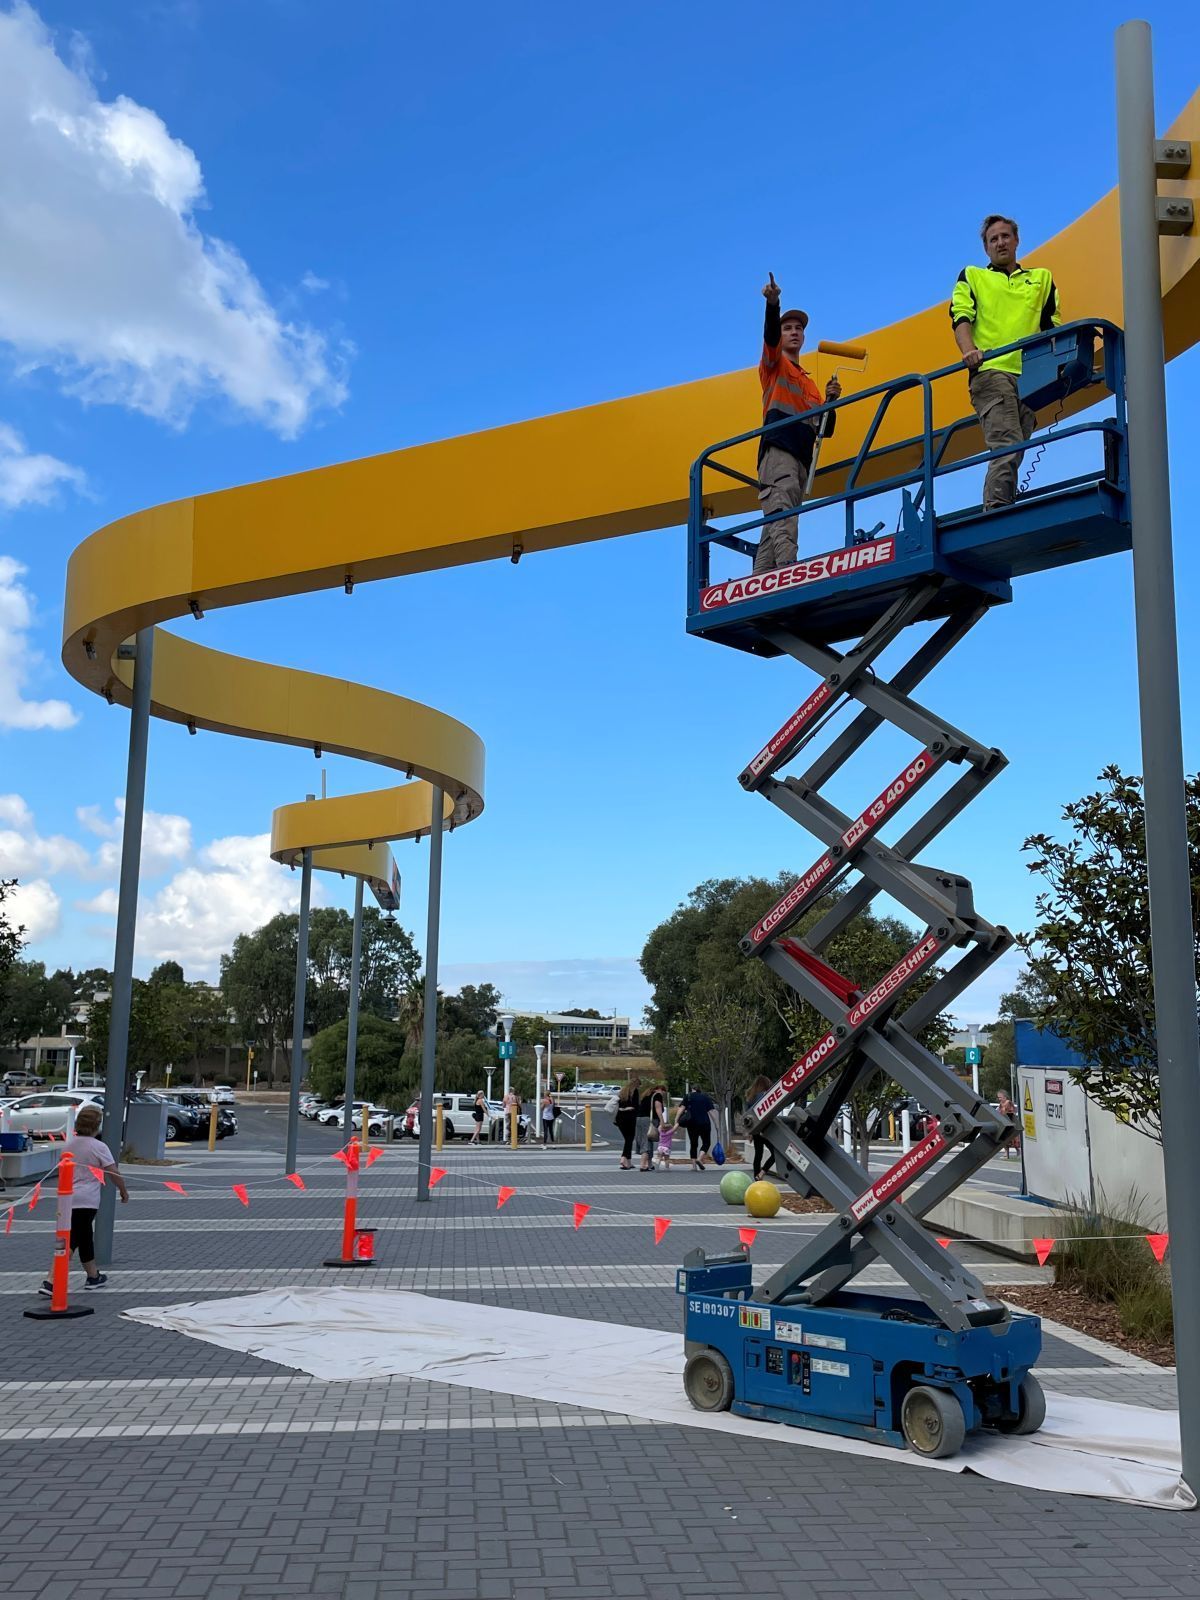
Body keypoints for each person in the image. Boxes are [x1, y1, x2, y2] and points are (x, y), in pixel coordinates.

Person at [950, 215, 1061, 511]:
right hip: (991, 370)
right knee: (1008, 444)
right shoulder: (973, 275)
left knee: (1017, 447)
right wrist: (969, 351)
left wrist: (1064, 368)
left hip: (1031, 375)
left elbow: (1053, 327)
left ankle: (1003, 503)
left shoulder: (1042, 279)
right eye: (993, 239)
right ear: (986, 248)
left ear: (1016, 240)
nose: (1000, 242)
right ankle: (996, 509)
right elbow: (961, 317)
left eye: (1005, 236)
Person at [755, 274, 842, 574]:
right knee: (782, 516)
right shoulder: (774, 364)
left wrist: (831, 402)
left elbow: (824, 429)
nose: (794, 332)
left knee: (775, 525)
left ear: (804, 337)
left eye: (798, 329)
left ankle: (758, 583)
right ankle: (790, 570)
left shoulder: (811, 386)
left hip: (800, 460)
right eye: (787, 328)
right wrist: (773, 304)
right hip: (779, 451)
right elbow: (769, 337)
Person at [39, 1103, 127, 1294]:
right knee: (73, 1239)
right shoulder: (98, 1147)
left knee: (84, 1237)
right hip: (87, 1200)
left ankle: (93, 1276)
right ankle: (51, 1280)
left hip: (67, 1198)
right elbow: (113, 1171)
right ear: (97, 1126)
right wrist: (123, 1190)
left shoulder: (69, 1145)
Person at [746, 1074, 778, 1181]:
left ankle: (756, 1178)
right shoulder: (765, 1096)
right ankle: (763, 1171)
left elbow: (748, 1116)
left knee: (758, 1154)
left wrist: (750, 1132)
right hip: (765, 1129)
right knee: (775, 1153)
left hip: (755, 1129)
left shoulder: (750, 1097)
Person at [680, 1086, 716, 1171]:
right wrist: (716, 1124)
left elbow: (681, 1108)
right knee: (706, 1142)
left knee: (693, 1144)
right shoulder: (705, 1097)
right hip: (705, 1123)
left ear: (692, 1090)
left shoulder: (688, 1096)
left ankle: (693, 1166)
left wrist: (676, 1119)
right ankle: (700, 1158)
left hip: (692, 1123)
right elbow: (711, 1111)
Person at [638, 1085, 667, 1173]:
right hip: (649, 1120)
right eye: (664, 1092)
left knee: (648, 1140)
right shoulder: (657, 1095)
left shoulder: (646, 1095)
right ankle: (643, 1165)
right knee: (646, 1141)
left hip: (639, 1119)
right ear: (660, 1090)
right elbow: (658, 1108)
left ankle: (649, 1164)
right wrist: (662, 1122)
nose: (663, 1094)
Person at [614, 1079, 640, 1170]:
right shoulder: (635, 1092)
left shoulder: (622, 1091)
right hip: (630, 1118)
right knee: (629, 1139)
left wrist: (623, 1109)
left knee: (627, 1139)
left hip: (620, 1118)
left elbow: (619, 1104)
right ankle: (623, 1158)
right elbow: (636, 1106)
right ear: (636, 1085)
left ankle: (628, 1161)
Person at [656, 1101, 679, 1172]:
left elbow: (660, 1126)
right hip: (667, 1148)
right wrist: (677, 1122)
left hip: (660, 1147)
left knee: (659, 1158)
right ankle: (667, 1168)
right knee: (667, 1159)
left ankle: (657, 1167)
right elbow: (675, 1128)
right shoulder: (669, 1133)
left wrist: (663, 1124)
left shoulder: (661, 1132)